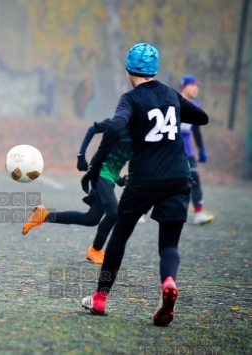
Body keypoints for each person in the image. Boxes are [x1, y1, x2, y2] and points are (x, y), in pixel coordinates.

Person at [79, 43, 209, 327]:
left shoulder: (130, 99)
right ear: (155, 70)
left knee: (120, 236)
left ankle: (100, 299)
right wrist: (175, 111)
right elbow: (202, 118)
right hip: (177, 178)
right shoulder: (171, 94)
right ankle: (168, 283)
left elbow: (116, 126)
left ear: (128, 70)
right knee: (169, 246)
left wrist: (96, 164)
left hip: (143, 180)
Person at [22, 118, 132, 264]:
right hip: (99, 171)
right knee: (113, 213)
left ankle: (44, 216)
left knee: (91, 219)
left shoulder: (144, 136)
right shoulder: (118, 122)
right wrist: (81, 156)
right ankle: (96, 250)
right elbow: (92, 129)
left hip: (109, 176)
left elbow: (118, 158)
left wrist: (119, 179)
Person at [180, 75, 214, 225]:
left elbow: (196, 130)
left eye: (197, 86)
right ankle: (139, 211)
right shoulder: (172, 102)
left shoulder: (196, 107)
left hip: (188, 153)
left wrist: (201, 149)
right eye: (192, 85)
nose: (196, 88)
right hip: (170, 151)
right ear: (184, 86)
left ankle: (198, 213)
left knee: (195, 178)